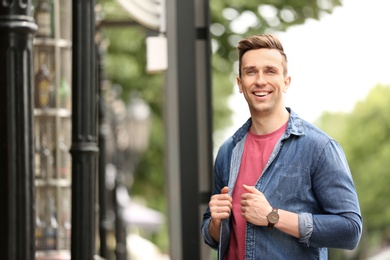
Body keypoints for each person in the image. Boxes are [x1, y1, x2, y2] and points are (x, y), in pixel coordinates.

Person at [201, 34, 362, 259]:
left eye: (270, 71)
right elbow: (213, 237)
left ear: (286, 81)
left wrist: (272, 216)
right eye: (250, 71)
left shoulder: (319, 148)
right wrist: (216, 222)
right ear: (240, 83)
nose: (260, 80)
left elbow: (350, 230)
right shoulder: (228, 151)